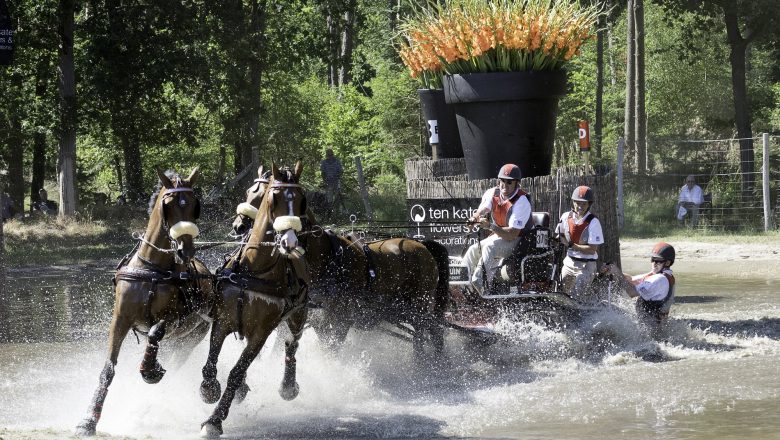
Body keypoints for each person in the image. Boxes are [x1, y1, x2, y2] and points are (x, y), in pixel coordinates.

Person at [462, 163, 532, 294]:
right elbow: (483, 209)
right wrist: (474, 218)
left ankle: (481, 285)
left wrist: (489, 226)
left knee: (489, 248)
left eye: (509, 182)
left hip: (519, 241)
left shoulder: (521, 201)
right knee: (473, 249)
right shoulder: (492, 193)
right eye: (502, 181)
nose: (505, 185)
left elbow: (512, 234)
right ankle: (462, 285)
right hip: (500, 235)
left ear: (517, 183)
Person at [607, 242, 676, 334]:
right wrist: (614, 270)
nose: (654, 263)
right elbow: (631, 279)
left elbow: (631, 292)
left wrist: (617, 273)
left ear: (667, 262)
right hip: (650, 327)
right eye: (652, 259)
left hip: (650, 332)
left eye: (658, 260)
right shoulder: (660, 274)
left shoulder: (659, 279)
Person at [556, 185, 604, 300]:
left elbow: (592, 249)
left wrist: (573, 245)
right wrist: (557, 239)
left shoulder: (593, 222)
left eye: (584, 204)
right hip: (569, 262)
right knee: (561, 293)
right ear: (573, 202)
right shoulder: (565, 216)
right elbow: (560, 235)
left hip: (586, 265)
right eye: (577, 203)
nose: (580, 207)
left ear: (589, 204)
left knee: (577, 295)